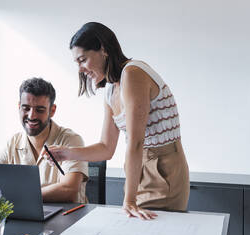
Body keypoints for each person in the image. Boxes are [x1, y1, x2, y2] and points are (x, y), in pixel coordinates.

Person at [43, 22, 190, 219]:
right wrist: (66, 154)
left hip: (164, 170)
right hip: (139, 170)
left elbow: (136, 143)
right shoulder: (110, 89)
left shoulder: (133, 73)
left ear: (103, 49)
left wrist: (129, 200)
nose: (80, 69)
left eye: (83, 60)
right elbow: (106, 148)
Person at [0, 77, 88, 203]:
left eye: (39, 110)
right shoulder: (12, 143)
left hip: (67, 219)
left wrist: (20, 196)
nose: (32, 116)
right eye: (26, 108)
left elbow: (68, 190)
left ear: (52, 111)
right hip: (25, 218)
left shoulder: (71, 140)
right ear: (19, 107)